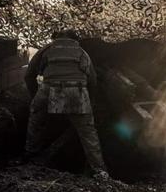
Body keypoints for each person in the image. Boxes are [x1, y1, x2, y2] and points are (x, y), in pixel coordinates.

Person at [24, 30, 109, 180]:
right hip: (76, 91)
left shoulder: (47, 49)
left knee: (35, 121)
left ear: (56, 38)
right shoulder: (82, 52)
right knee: (88, 132)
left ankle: (30, 157)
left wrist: (34, 98)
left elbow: (29, 75)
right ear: (75, 39)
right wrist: (91, 102)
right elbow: (92, 80)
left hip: (48, 89)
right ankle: (100, 171)